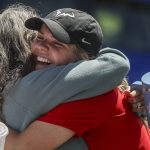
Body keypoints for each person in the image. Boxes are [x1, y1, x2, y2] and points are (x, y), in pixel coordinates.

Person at [2, 7, 149, 150]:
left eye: (57, 44)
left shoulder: (94, 97)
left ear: (82, 59)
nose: (41, 46)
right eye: (39, 37)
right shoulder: (71, 89)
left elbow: (19, 146)